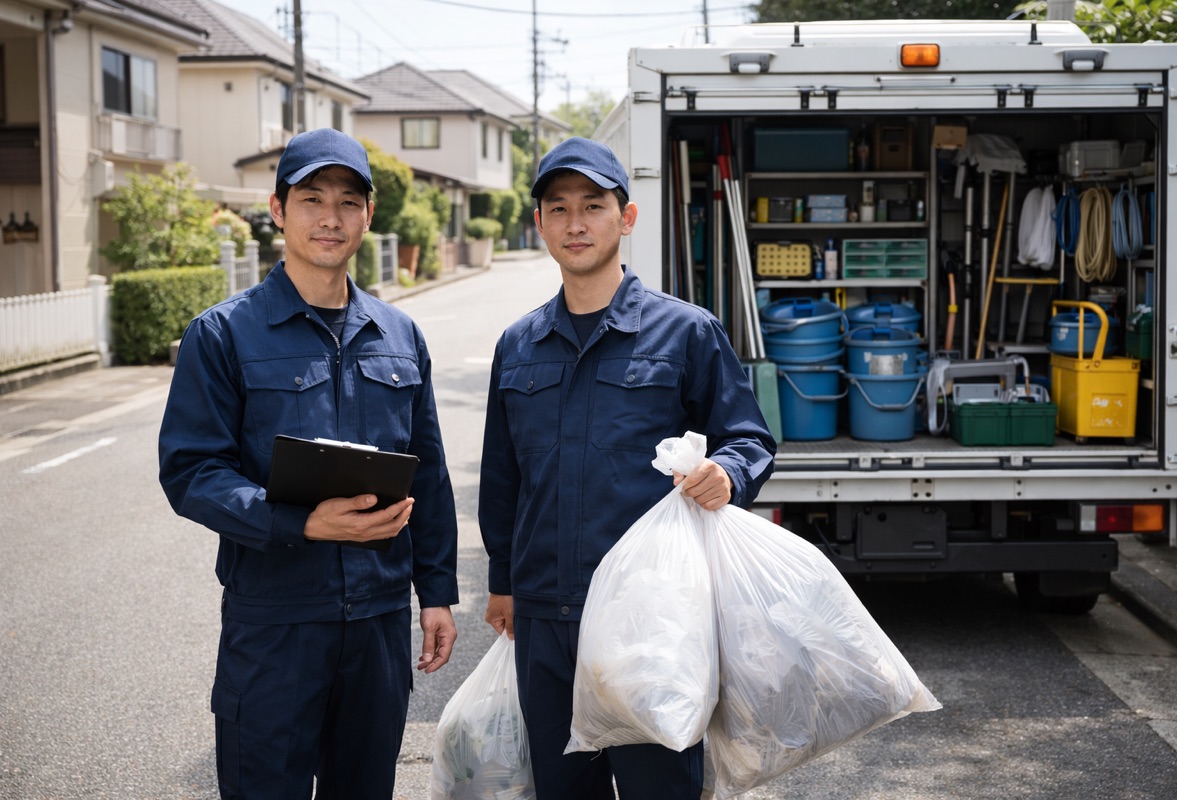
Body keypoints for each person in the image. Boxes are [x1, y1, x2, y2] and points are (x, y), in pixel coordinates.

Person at [158, 128, 458, 800]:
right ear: (277, 209)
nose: (331, 217)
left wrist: (435, 592)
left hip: (378, 621)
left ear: (368, 216)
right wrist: (301, 523)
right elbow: (191, 472)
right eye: (312, 198)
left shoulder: (399, 335)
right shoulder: (224, 334)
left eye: (349, 201)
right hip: (275, 621)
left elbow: (429, 474)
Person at [478, 137, 776, 799]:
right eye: (559, 208)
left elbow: (748, 437)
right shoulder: (518, 345)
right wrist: (503, 581)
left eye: (593, 205)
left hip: (651, 618)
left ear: (627, 218)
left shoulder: (686, 332)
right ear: (540, 224)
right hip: (546, 618)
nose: (576, 223)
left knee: (658, 789)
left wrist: (728, 473)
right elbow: (502, 477)